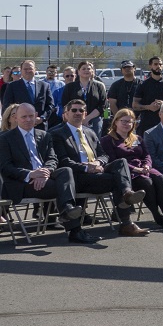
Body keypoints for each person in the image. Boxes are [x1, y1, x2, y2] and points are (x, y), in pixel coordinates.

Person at [50, 98, 150, 237]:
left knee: (120, 164)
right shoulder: (56, 133)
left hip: (96, 174)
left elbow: (103, 155)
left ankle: (127, 196)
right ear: (66, 114)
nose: (78, 113)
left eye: (81, 110)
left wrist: (98, 163)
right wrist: (86, 167)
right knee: (118, 180)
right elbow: (62, 161)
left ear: (85, 114)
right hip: (77, 177)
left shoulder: (89, 132)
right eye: (74, 110)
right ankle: (126, 222)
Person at [0, 103, 95, 244]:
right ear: (16, 118)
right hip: (23, 183)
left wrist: (45, 173)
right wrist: (31, 174)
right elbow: (5, 167)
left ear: (36, 116)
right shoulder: (5, 138)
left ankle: (68, 211)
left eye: (31, 116)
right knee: (63, 188)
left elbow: (52, 159)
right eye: (24, 116)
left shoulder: (44, 135)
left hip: (45, 179)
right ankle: (74, 228)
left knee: (66, 171)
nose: (28, 119)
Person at [101, 108, 163, 230]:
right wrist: (135, 169)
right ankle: (158, 217)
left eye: (130, 122)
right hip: (126, 173)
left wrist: (147, 165)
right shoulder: (108, 140)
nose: (126, 124)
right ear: (115, 122)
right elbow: (114, 161)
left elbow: (146, 155)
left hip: (143, 169)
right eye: (123, 121)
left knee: (160, 178)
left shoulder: (137, 138)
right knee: (147, 183)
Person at [1, 59, 56, 126]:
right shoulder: (12, 86)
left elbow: (51, 105)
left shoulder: (44, 86)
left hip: (39, 126)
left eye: (30, 68)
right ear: (21, 70)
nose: (28, 71)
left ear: (35, 70)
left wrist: (42, 118)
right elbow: (7, 107)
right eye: (25, 69)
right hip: (20, 126)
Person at [136, 56, 163, 135]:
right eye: (155, 64)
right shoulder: (143, 85)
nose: (158, 66)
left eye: (160, 64)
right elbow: (135, 105)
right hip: (147, 125)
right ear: (150, 66)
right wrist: (148, 107)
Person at [66, 60, 108, 137]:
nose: (86, 70)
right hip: (74, 119)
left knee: (93, 144)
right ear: (78, 72)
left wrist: (87, 118)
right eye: (83, 69)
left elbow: (103, 105)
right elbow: (65, 104)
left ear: (92, 71)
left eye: (88, 69)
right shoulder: (70, 87)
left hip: (94, 120)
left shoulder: (99, 86)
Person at [106, 60, 141, 124]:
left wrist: (139, 118)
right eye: (125, 68)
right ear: (121, 70)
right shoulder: (116, 85)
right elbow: (112, 103)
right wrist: (119, 118)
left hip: (139, 119)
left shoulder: (141, 84)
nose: (127, 69)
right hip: (121, 120)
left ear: (134, 69)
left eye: (129, 67)